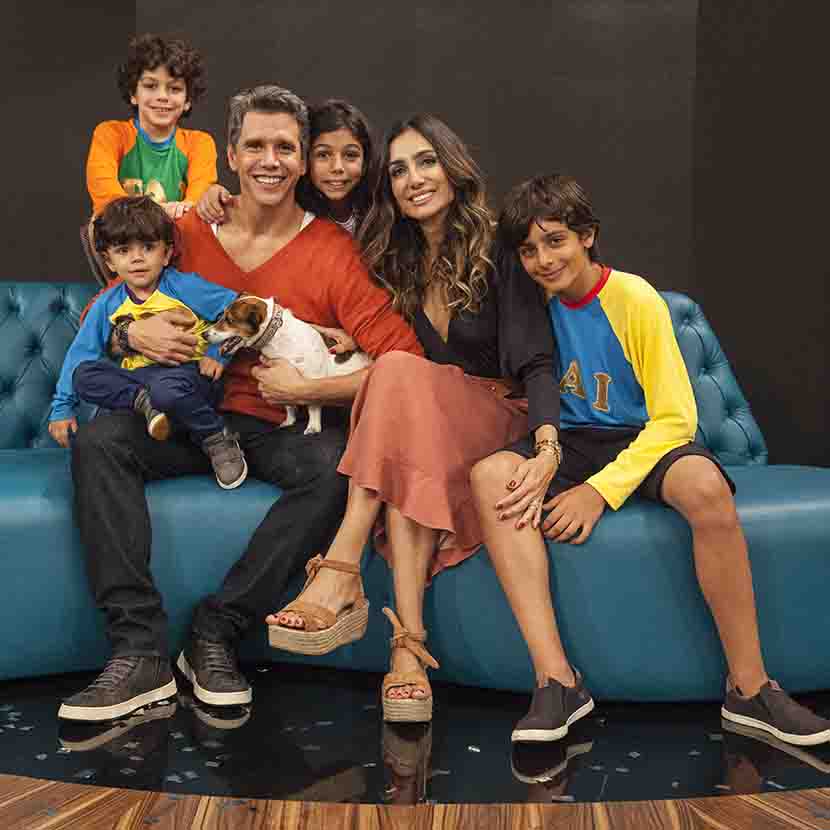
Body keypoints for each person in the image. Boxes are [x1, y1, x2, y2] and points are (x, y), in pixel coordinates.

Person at [60, 84, 421, 723]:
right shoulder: (183, 232)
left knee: (336, 464)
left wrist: (312, 390)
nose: (269, 161)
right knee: (100, 441)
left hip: (271, 427)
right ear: (230, 154)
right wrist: (130, 335)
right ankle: (138, 652)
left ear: (302, 159)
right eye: (254, 145)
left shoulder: (332, 251)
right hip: (182, 415)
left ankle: (215, 633)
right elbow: (102, 314)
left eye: (284, 147)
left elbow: (404, 363)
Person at [468, 173, 830, 747]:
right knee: (490, 476)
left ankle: (751, 689)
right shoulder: (529, 303)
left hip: (642, 438)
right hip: (572, 440)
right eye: (529, 250)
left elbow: (675, 420)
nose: (543, 260)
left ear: (587, 236)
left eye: (556, 241)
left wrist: (599, 492)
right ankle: (557, 682)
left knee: (705, 487)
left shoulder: (633, 297)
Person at [267, 114, 558, 724]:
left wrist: (548, 446)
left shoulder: (500, 246)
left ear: (453, 168)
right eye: (398, 170)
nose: (413, 179)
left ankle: (342, 566)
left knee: (397, 376)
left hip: (501, 415)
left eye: (426, 162)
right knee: (405, 440)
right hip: (433, 423)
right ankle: (407, 652)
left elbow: (536, 358)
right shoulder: (394, 260)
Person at [49, 196, 246, 490]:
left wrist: (219, 353)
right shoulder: (107, 304)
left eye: (148, 248)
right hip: (140, 385)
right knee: (84, 375)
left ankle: (217, 437)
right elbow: (81, 354)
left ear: (166, 254)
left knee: (166, 389)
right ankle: (145, 402)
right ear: (109, 261)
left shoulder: (183, 285)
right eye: (123, 250)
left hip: (188, 378)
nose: (137, 258)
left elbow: (239, 307)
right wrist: (62, 409)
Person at [86, 33, 217, 220]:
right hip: (119, 237)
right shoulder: (110, 134)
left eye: (175, 89)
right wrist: (165, 211)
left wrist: (143, 213)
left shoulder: (200, 144)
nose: (162, 96)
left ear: (188, 100)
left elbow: (196, 208)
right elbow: (108, 203)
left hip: (174, 239)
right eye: (150, 86)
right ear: (133, 94)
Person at [197, 98, 374, 236]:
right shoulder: (290, 206)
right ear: (303, 160)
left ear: (365, 160)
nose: (337, 167)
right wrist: (213, 195)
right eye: (323, 155)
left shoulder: (378, 212)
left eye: (350, 155)